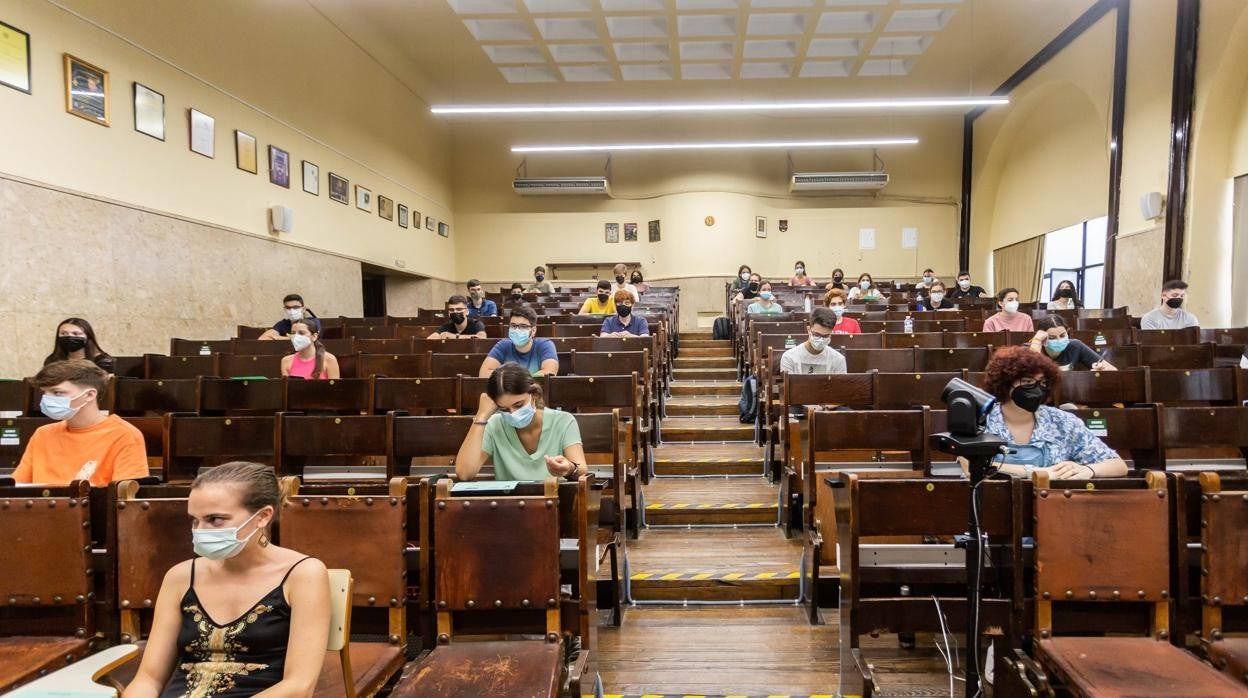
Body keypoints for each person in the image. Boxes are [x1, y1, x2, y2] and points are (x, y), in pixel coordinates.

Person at [122, 462, 330, 698]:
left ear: (263, 516)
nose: (201, 530)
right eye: (195, 520)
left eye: (215, 520)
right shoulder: (180, 576)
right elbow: (148, 678)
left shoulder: (303, 575)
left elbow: (299, 686)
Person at [969, 346, 1127, 479]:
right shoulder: (982, 420)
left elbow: (1118, 465)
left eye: (1043, 383)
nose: (1037, 390)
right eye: (1028, 382)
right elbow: (969, 465)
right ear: (1005, 383)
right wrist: (1035, 473)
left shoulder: (1063, 421)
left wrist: (1089, 470)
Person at [13, 360, 148, 486]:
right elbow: (16, 487)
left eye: (57, 393)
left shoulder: (125, 435)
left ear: (89, 395)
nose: (47, 399)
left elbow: (124, 497)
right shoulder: (42, 434)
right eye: (44, 393)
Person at [455, 363, 588, 482]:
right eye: (504, 409)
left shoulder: (563, 421)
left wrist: (569, 468)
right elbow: (464, 473)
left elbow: (581, 469)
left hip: (555, 502)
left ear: (534, 394)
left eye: (518, 405)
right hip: (509, 505)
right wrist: (481, 416)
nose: (513, 414)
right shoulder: (494, 424)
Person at [479, 305, 559, 377]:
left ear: (533, 330)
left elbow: (549, 372)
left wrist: (511, 380)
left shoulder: (545, 345)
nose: (517, 330)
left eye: (523, 326)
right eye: (513, 326)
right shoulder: (502, 345)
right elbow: (484, 373)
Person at [1025, 316, 1115, 371]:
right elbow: (1030, 373)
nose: (1059, 340)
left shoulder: (1075, 346)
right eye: (1052, 337)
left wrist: (1100, 370)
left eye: (1062, 335)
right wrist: (1036, 341)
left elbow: (1112, 370)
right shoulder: (1031, 349)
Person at [780, 308, 848, 375]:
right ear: (809, 329)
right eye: (817, 335)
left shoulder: (838, 360)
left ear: (831, 334)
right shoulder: (789, 357)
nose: (821, 340)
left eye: (825, 336)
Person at [43, 317, 115, 374]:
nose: (69, 337)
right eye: (64, 333)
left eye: (76, 334)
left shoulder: (103, 361)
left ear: (88, 337)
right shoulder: (52, 359)